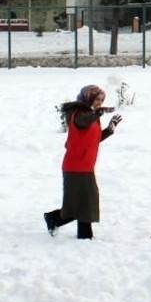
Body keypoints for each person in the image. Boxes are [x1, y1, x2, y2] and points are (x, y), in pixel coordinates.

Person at [44, 84, 122, 239]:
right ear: (88, 98)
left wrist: (109, 129)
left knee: (85, 201)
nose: (99, 102)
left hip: (85, 166)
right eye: (97, 99)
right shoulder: (77, 114)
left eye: (101, 100)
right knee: (84, 201)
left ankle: (58, 221)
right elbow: (82, 122)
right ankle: (81, 232)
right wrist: (97, 114)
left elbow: (93, 139)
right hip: (75, 166)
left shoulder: (91, 116)